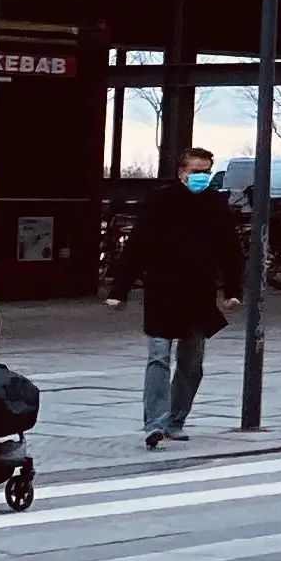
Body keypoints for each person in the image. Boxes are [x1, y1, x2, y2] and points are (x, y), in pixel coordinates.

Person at [107, 144, 246, 447]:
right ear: (182, 173)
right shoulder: (161, 202)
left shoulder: (216, 205)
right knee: (158, 357)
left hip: (198, 295)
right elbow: (137, 247)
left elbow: (230, 252)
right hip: (162, 291)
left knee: (191, 363)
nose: (203, 178)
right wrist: (120, 290)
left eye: (208, 172)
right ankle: (155, 423)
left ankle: (175, 420)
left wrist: (233, 290)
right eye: (197, 172)